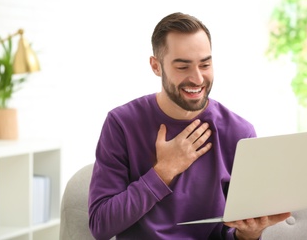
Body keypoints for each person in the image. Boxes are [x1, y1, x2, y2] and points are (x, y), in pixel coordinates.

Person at [88, 12, 290, 240]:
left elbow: (232, 232)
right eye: (183, 67)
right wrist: (164, 171)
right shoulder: (121, 124)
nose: (197, 79)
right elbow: (100, 224)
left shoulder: (239, 132)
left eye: (205, 64)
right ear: (156, 66)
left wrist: (248, 235)